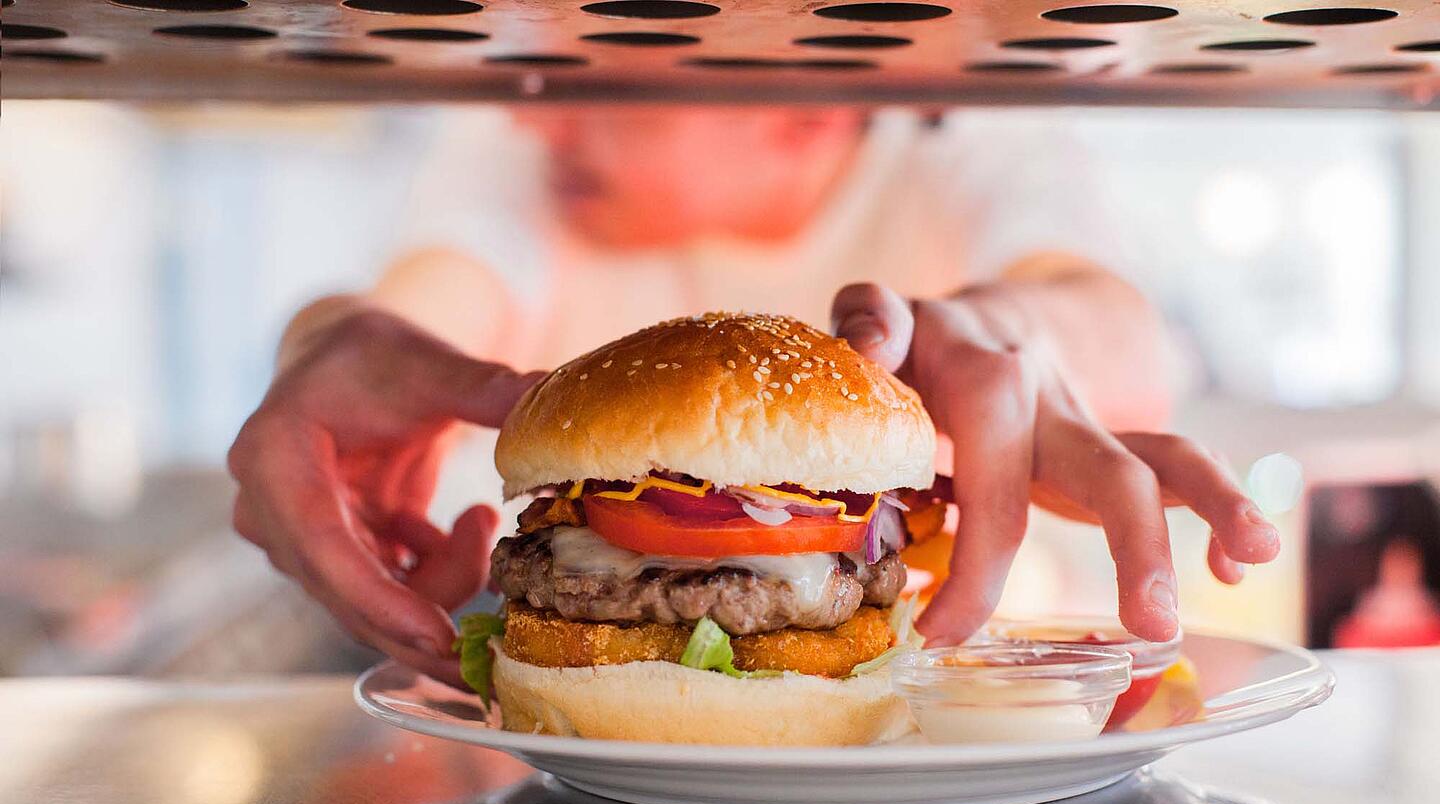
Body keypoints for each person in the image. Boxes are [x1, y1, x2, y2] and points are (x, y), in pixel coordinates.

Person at [227, 106, 1281, 686]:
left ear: (806, 102)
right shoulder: (529, 147)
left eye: (598, 57)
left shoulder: (964, 132)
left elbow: (1117, 328)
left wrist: (1021, 335)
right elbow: (416, 316)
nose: (538, 115)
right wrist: (317, 346)